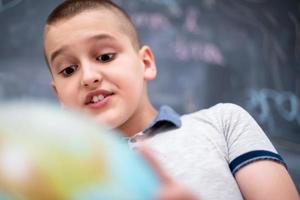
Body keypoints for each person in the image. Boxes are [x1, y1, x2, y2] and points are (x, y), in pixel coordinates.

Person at [43, 0, 299, 199]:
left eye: (105, 56)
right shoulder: (50, 178)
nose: (88, 77)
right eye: (68, 70)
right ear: (59, 95)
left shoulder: (223, 124)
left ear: (146, 63)